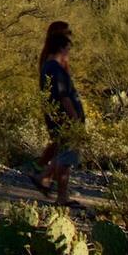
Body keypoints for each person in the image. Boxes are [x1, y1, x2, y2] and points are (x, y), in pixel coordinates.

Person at [35, 31, 86, 209]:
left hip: (56, 116)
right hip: (64, 118)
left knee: (62, 152)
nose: (69, 53)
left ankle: (45, 178)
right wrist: (75, 119)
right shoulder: (55, 68)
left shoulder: (47, 67)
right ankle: (61, 197)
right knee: (66, 157)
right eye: (68, 48)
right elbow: (64, 96)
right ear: (62, 48)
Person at [36, 21, 73, 170]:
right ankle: (44, 174)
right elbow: (64, 85)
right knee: (63, 140)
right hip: (59, 103)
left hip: (50, 102)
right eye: (67, 32)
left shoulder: (46, 57)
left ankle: (43, 172)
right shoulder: (56, 59)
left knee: (58, 140)